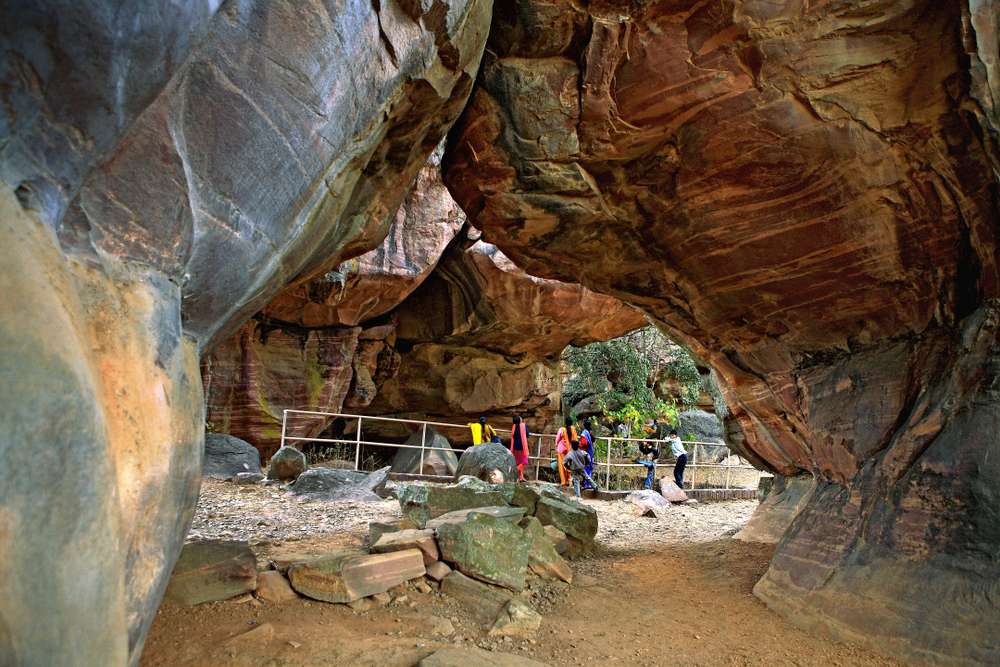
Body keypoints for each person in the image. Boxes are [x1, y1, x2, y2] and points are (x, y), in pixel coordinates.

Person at [554, 417, 576, 488]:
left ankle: (563, 481)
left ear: (565, 422)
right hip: (570, 451)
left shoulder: (562, 429)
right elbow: (575, 440)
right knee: (569, 465)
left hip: (562, 451)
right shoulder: (573, 429)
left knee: (562, 465)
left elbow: (557, 439)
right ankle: (569, 479)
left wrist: (556, 445)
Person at [510, 416, 530, 482]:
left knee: (519, 462)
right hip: (522, 447)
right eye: (520, 418)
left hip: (515, 447)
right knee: (524, 462)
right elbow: (527, 435)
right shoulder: (524, 425)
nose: (521, 418)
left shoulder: (514, 427)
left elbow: (513, 436)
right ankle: (514, 470)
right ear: (519, 420)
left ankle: (521, 477)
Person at [580, 419, 596, 489]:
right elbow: (593, 439)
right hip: (591, 452)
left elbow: (584, 443)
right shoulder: (590, 432)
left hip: (586, 453)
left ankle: (586, 484)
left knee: (585, 468)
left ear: (584, 425)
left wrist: (578, 445)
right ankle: (588, 484)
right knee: (589, 468)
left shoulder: (584, 432)